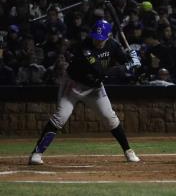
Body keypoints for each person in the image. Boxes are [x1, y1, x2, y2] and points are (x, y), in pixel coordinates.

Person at [28, 19, 141, 165]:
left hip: (94, 88)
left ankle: (128, 151)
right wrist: (127, 67)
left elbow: (126, 61)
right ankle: (36, 153)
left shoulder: (113, 45)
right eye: (95, 37)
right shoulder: (85, 47)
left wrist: (134, 58)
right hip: (73, 86)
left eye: (100, 39)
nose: (97, 41)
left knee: (110, 118)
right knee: (60, 117)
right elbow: (100, 72)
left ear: (108, 36)